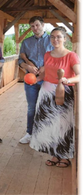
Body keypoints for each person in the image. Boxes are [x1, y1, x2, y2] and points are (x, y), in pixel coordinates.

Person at [30, 27, 80, 168]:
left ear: (65, 38)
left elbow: (79, 75)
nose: (55, 39)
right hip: (46, 93)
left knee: (63, 125)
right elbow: (45, 74)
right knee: (48, 125)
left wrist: (67, 81)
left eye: (58, 37)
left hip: (63, 92)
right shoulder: (47, 55)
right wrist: (35, 79)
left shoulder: (71, 55)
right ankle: (54, 154)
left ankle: (64, 156)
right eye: (52, 37)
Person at [17, 16, 53, 144]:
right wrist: (26, 66)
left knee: (47, 106)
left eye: (37, 25)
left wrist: (46, 67)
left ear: (43, 25)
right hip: (30, 81)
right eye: (32, 26)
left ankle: (46, 134)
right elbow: (20, 60)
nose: (35, 28)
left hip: (47, 79)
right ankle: (30, 133)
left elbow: (56, 58)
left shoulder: (51, 40)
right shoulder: (26, 42)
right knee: (32, 107)